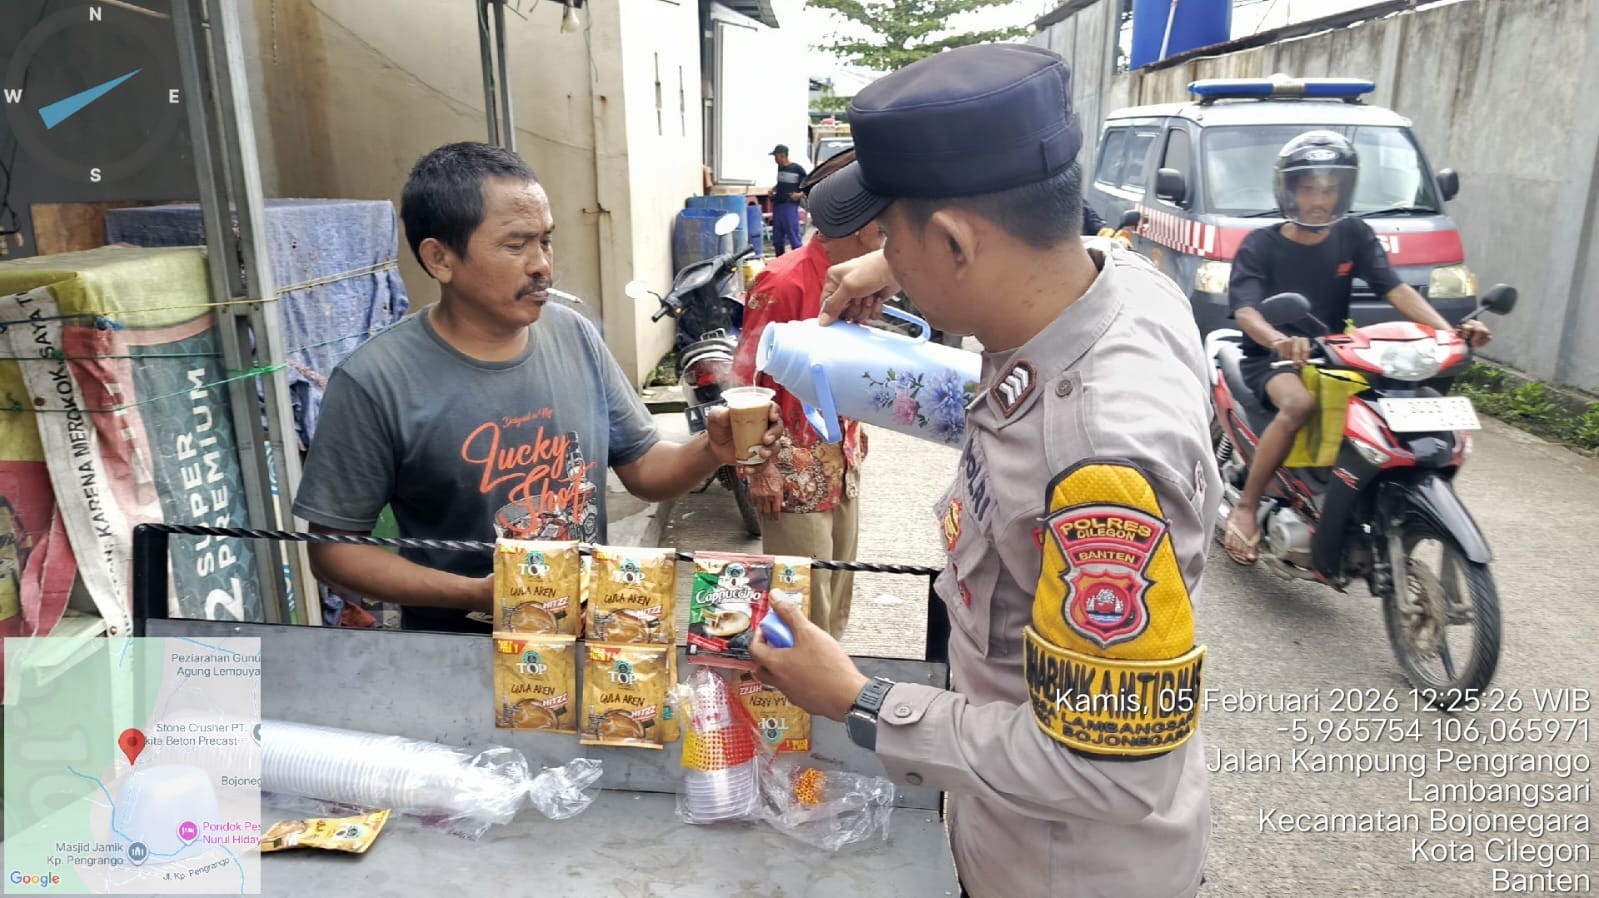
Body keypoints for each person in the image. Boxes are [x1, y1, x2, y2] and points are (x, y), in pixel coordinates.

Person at [748, 44, 1218, 898]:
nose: (879, 253)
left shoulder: (1099, 464)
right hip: (1004, 821)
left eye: (888, 233)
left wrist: (856, 698)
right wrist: (893, 266)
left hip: (1055, 870)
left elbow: (1110, 774)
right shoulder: (1125, 285)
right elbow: (1062, 279)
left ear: (957, 241)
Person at [292, 142, 781, 633]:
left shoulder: (574, 335)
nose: (541, 264)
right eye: (516, 245)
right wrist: (478, 593)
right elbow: (334, 553)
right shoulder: (374, 380)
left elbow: (645, 469)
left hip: (588, 637)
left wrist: (710, 449)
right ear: (440, 258)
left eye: (545, 241)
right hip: (458, 651)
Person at [1220, 130, 1492, 565]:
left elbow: (1395, 289)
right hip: (1272, 358)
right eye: (1308, 189)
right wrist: (1278, 340)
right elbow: (1247, 311)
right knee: (1299, 405)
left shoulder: (1353, 234)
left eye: (1329, 189)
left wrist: (1448, 333)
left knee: (1393, 408)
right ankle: (1248, 508)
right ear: (1288, 191)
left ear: (1344, 192)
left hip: (1333, 352)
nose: (1318, 200)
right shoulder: (1261, 244)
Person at [731, 149, 882, 640]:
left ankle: (831, 680)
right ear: (860, 225)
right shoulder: (784, 281)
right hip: (790, 471)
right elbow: (747, 383)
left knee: (838, 596)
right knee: (799, 606)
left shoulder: (859, 278)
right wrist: (760, 469)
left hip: (842, 462)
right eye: (883, 224)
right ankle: (792, 685)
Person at [768, 144, 807, 255]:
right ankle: (779, 259)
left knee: (792, 234)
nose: (775, 160)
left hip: (789, 205)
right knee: (777, 237)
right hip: (778, 204)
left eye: (776, 157)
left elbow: (808, 186)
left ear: (783, 156)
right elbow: (781, 183)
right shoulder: (780, 168)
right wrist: (773, 189)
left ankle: (798, 258)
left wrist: (799, 195)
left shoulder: (797, 169)